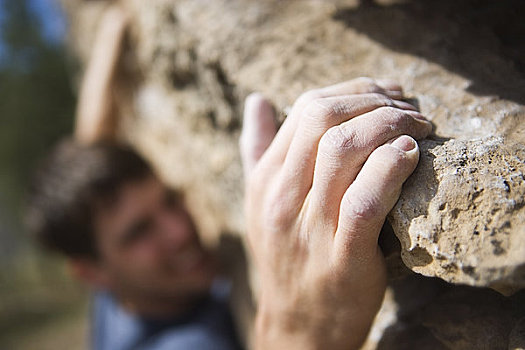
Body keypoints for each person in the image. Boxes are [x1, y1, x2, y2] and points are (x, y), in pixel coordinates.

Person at [27, 5, 432, 350]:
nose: (180, 230)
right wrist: (298, 326)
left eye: (169, 200)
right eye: (139, 232)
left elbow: (92, 139)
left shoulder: (111, 299)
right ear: (91, 272)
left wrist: (112, 31)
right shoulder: (186, 341)